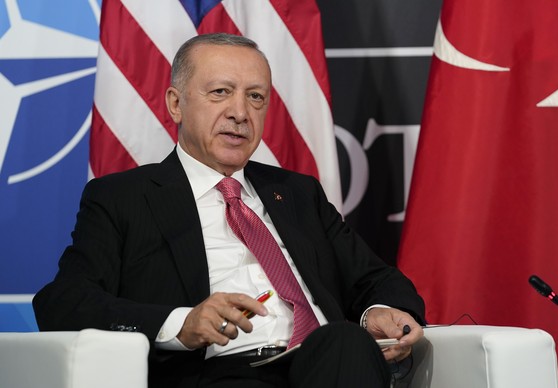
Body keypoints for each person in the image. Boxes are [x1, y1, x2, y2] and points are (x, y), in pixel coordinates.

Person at [33, 33, 426, 388]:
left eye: (255, 97)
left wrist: (377, 312)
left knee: (345, 340)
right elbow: (63, 302)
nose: (240, 112)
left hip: (324, 365)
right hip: (218, 372)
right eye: (221, 92)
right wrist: (181, 323)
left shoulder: (296, 193)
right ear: (176, 104)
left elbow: (377, 279)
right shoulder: (123, 197)